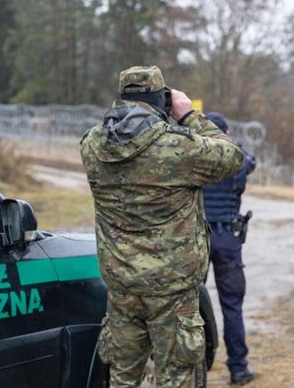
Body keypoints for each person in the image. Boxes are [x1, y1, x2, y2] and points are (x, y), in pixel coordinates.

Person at [80, 66, 244, 388]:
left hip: (122, 286)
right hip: (171, 289)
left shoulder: (92, 146)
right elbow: (232, 157)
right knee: (177, 377)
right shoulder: (178, 148)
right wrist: (189, 116)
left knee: (122, 378)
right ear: (162, 99)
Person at [203, 112, 257, 385]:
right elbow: (251, 161)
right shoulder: (236, 159)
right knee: (232, 306)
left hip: (197, 238)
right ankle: (238, 368)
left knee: (190, 307)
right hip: (227, 239)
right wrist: (228, 141)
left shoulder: (196, 158)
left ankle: (195, 368)